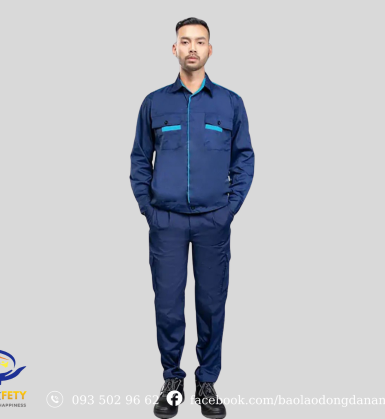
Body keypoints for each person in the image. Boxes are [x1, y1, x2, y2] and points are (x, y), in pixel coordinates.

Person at [130, 17, 255, 419]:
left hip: (212, 221)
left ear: (210, 50)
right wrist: (147, 208)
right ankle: (172, 380)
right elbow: (139, 159)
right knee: (168, 305)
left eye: (200, 41)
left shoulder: (230, 103)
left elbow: (244, 158)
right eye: (185, 41)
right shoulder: (154, 103)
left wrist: (230, 208)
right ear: (175, 49)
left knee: (211, 304)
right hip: (165, 221)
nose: (192, 48)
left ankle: (207, 382)